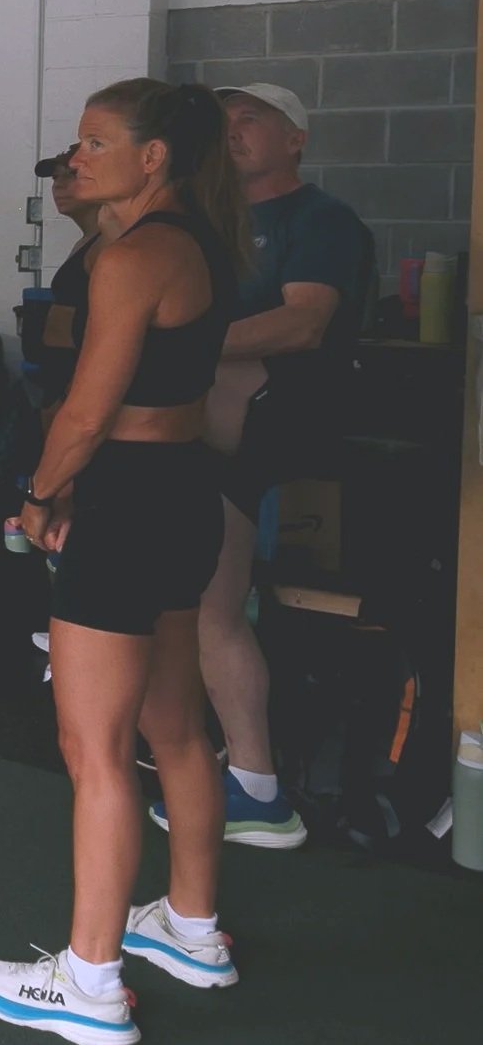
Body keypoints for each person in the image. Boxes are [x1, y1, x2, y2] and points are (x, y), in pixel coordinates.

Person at [0, 81, 249, 1045]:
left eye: (95, 142)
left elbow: (85, 412)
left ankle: (88, 981)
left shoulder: (135, 256)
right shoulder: (197, 240)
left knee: (94, 748)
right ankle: (191, 926)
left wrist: (39, 495)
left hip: (124, 501)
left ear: (155, 156)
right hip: (179, 493)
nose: (73, 156)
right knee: (174, 726)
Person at [166, 82, 372, 848]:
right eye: (222, 122)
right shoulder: (209, 225)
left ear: (296, 139)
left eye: (251, 119)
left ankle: (257, 785)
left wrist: (180, 345)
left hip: (274, 450)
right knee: (201, 611)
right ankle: (234, 767)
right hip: (208, 446)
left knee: (217, 614)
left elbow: (304, 322)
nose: (233, 131)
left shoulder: (321, 221)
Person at [22, 146, 102, 682]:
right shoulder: (89, 240)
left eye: (74, 174)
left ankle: (83, 644)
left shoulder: (119, 246)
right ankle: (68, 626)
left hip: (85, 403)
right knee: (63, 523)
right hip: (59, 393)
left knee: (75, 515)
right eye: (56, 176)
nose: (62, 183)